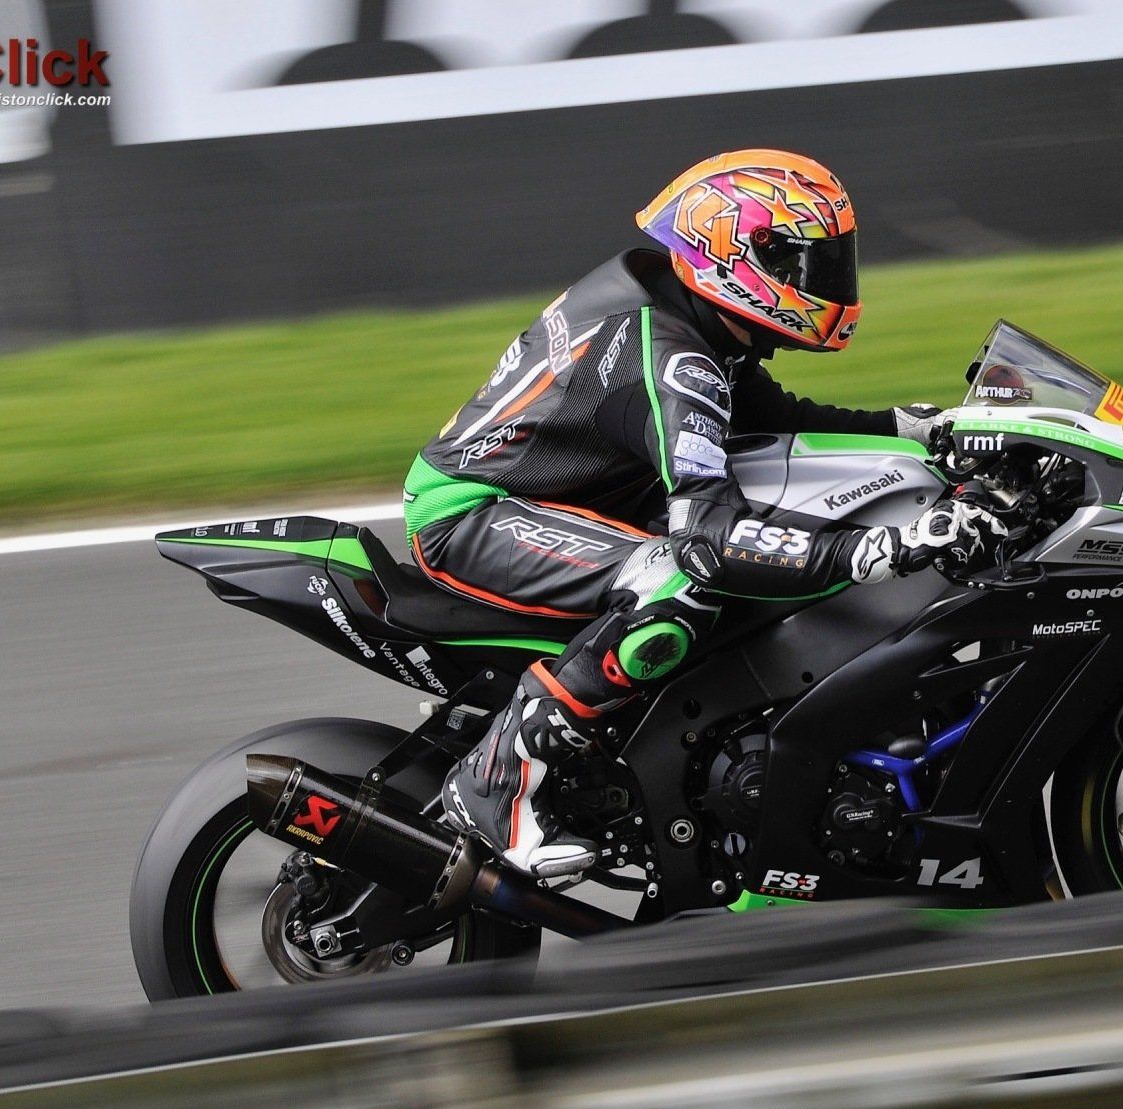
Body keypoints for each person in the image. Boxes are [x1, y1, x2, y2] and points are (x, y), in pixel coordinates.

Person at [408, 149, 1002, 876]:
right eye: (806, 265)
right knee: (675, 584)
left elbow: (771, 417)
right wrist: (877, 548)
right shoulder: (669, 356)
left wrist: (911, 431)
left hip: (573, 494)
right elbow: (710, 540)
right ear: (739, 254)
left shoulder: (696, 311)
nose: (825, 284)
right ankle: (496, 778)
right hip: (477, 512)